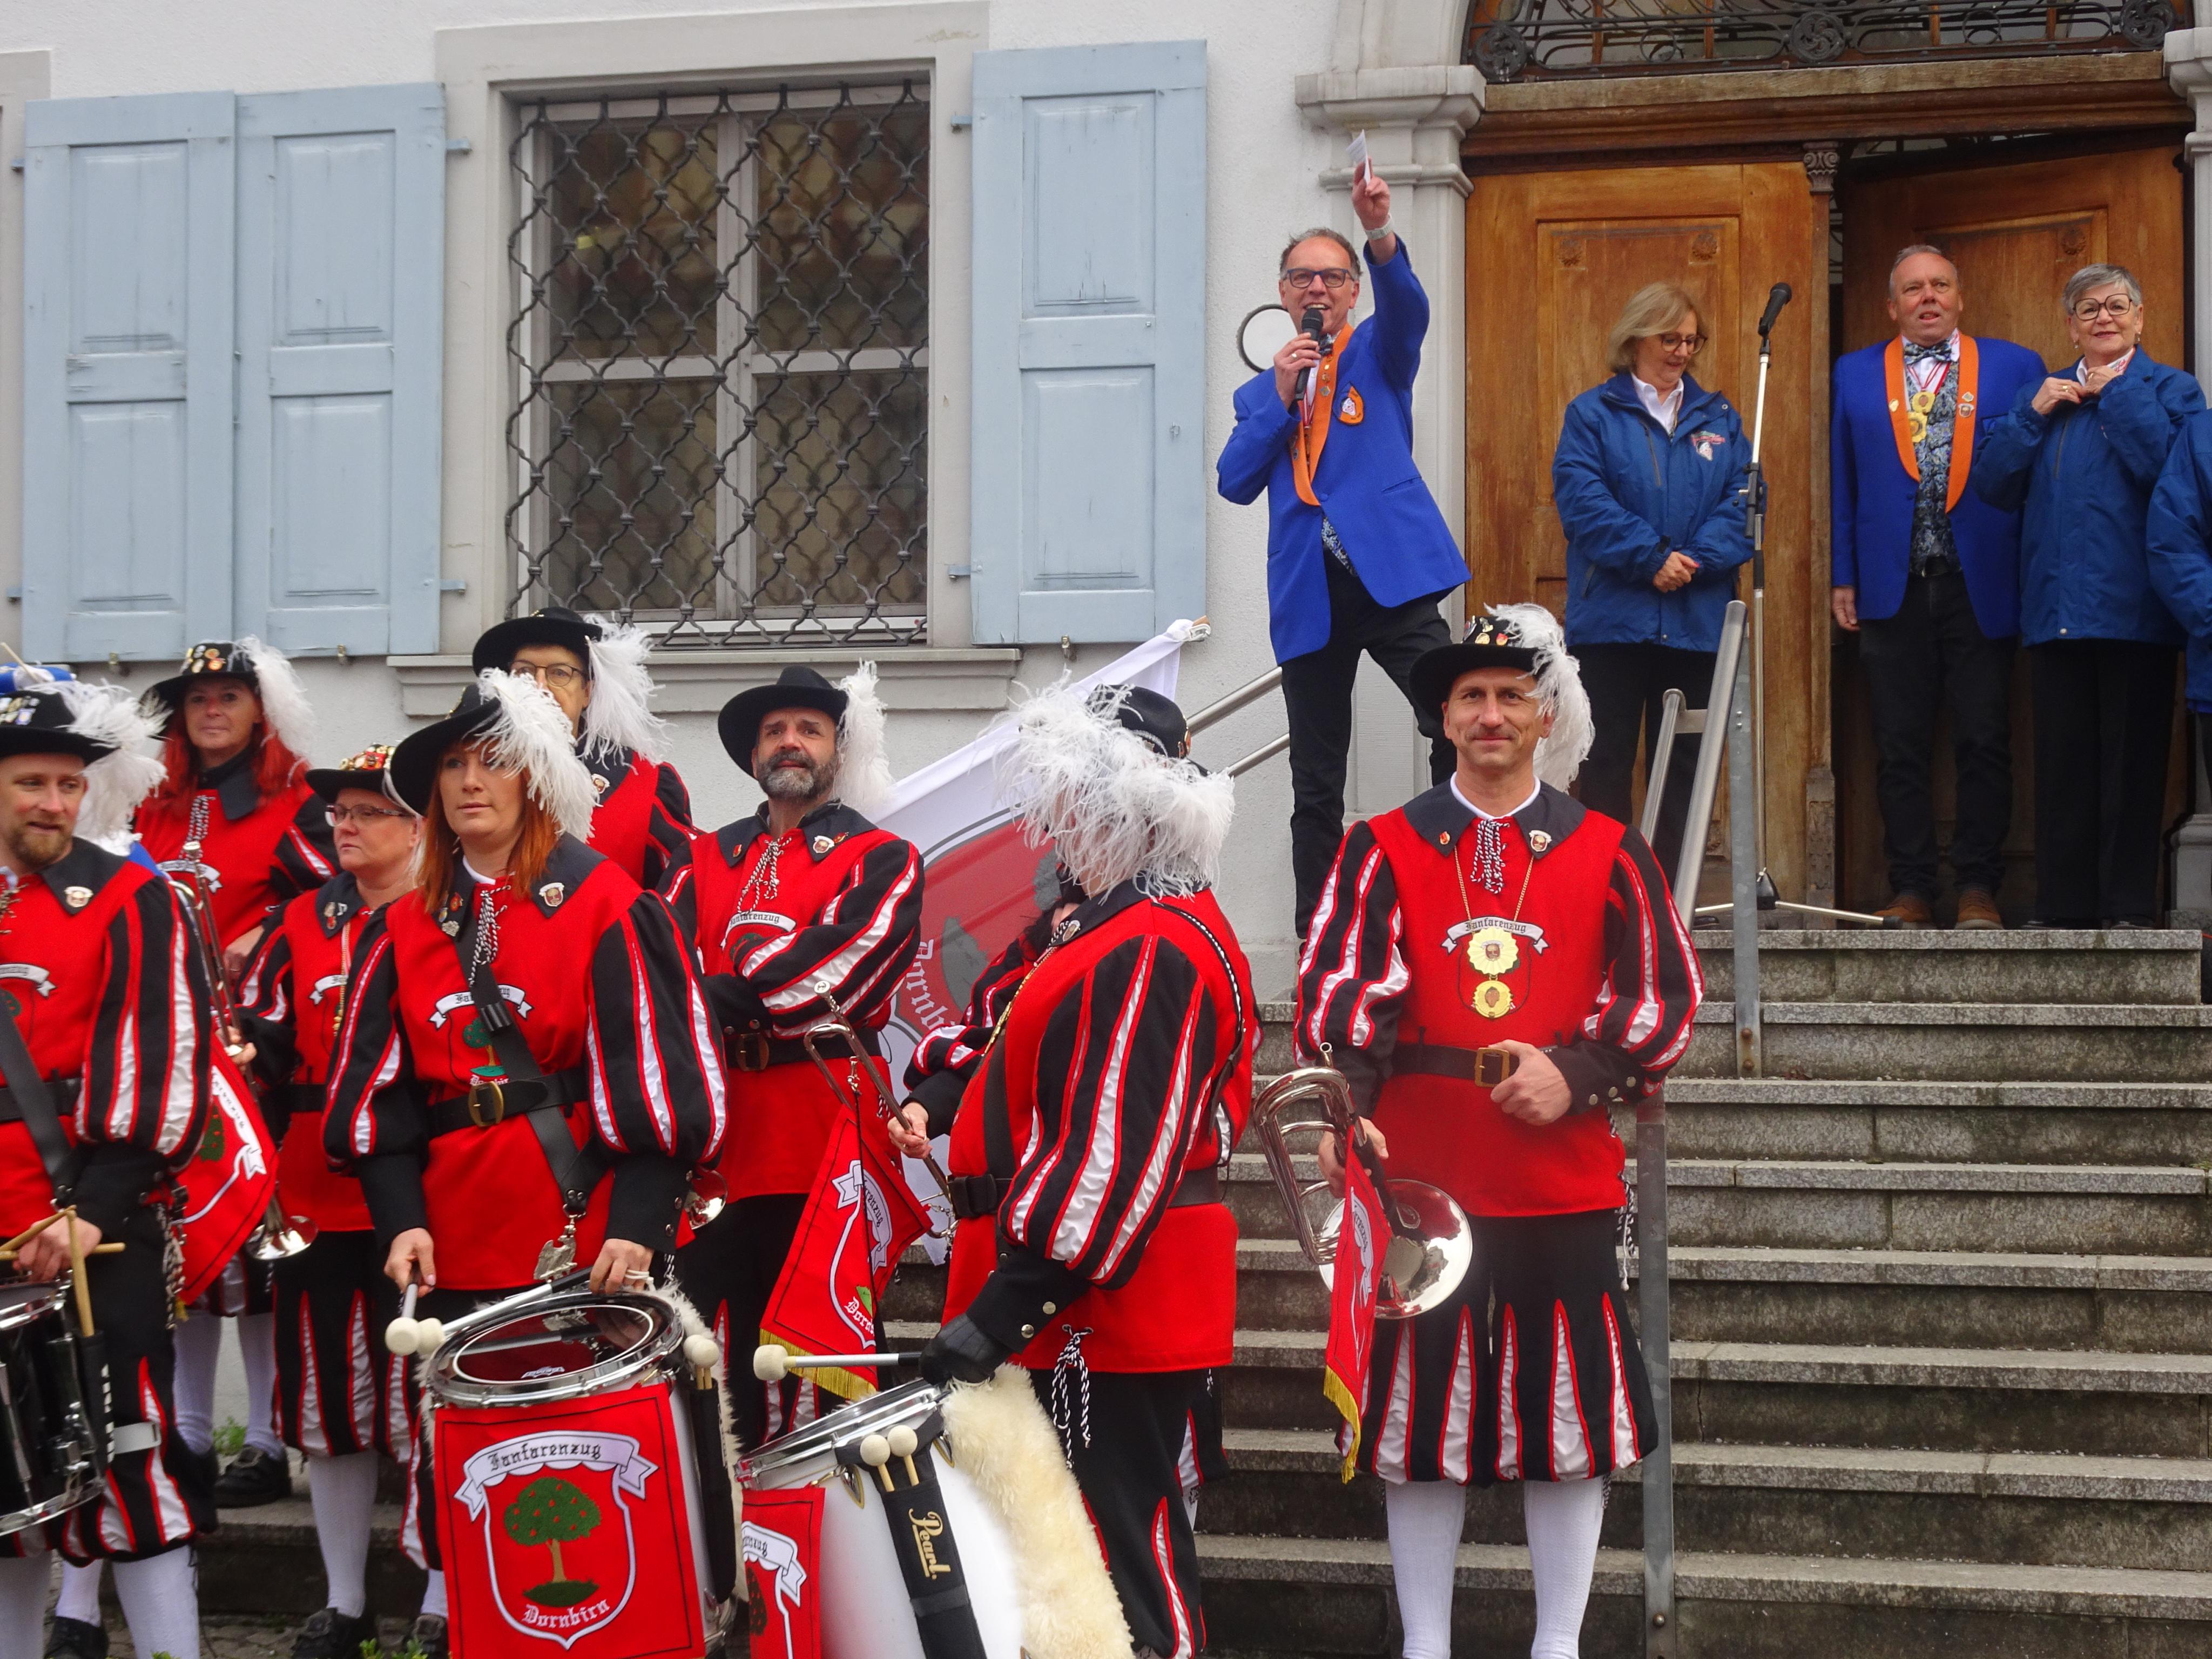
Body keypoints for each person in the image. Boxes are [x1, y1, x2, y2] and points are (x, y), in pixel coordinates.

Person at [1294, 606, 1701, 1659]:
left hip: (1558, 1171)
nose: (1490, 713)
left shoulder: (1610, 849)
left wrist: (1579, 1073)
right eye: (1469, 697)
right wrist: (1347, 1106)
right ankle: (1425, 1645)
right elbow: (1343, 992)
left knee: (1566, 1412)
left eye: (1510, 695)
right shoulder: (1380, 847)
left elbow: (1661, 996)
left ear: (1543, 714)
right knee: (1418, 1412)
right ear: (1443, 718)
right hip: (1420, 1174)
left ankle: (1555, 1644)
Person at [323, 672, 726, 1659]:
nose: (470, 781)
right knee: (479, 1465)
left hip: (584, 1236)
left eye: (493, 761)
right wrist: (399, 1217)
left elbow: (660, 1079)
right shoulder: (399, 927)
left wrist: (638, 1223)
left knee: (602, 1461)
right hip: (453, 1237)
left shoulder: (610, 904)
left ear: (536, 777)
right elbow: (376, 1098)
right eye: (454, 765)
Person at [915, 684, 1257, 1659]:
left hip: (1094, 1305)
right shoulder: (1109, 927)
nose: (1054, 817)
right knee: (1064, 1571)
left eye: (1071, 794)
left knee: (1117, 1565)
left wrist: (1004, 1312)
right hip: (1070, 1296)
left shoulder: (1152, 940)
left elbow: (1111, 1156)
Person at [0, 678, 214, 1659]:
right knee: (6, 1494)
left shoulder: (133, 896)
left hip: (92, 1231)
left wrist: (91, 1208)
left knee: (130, 1469)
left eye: (68, 785)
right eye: (31, 784)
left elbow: (165, 1067)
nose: (55, 803)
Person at [659, 664, 921, 1448]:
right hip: (716, 1134)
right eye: (774, 731)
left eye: (810, 729)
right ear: (753, 755)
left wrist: (716, 991)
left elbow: (837, 973)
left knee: (823, 1345)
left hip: (823, 1128)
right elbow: (656, 974)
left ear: (838, 750)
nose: (790, 742)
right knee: (707, 1345)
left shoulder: (883, 857)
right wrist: (712, 993)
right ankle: (726, 1511)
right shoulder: (701, 859)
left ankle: (829, 1518)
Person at [1216, 166, 1469, 939]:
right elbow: (1233, 481)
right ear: (1283, 293)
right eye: (1302, 277)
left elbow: (1411, 308)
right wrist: (1280, 398)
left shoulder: (1379, 353)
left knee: (1453, 722)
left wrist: (1379, 230)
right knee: (1316, 779)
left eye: (1332, 276)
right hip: (1311, 594)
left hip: (1392, 581)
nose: (1317, 288)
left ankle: (1447, 887)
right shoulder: (1262, 390)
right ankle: (1319, 935)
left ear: (1353, 291)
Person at [130, 638, 337, 1521]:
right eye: (197, 698)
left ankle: (261, 1437)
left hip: (253, 1049)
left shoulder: (300, 802)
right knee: (180, 1242)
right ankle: (184, 1434)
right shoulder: (149, 802)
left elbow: (337, 899)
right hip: (160, 1049)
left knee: (254, 1248)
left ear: (262, 711)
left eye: (229, 696)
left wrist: (270, 931)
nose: (211, 710)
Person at [235, 744, 428, 1659]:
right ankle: (344, 1604)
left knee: (429, 1397)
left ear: (417, 828)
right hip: (314, 1195)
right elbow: (264, 1039)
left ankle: (441, 1601)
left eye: (366, 813)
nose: (343, 827)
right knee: (331, 1407)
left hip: (426, 1193)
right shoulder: (301, 920)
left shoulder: (453, 915)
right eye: (338, 813)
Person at [1974, 262, 2204, 927]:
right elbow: (1992, 486)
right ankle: (2062, 910)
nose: (2104, 317)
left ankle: (2128, 909)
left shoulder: (2173, 389)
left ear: (2139, 319)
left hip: (2139, 614)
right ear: (2070, 327)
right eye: (2088, 309)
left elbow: (2169, 471)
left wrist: (2119, 394)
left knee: (2133, 769)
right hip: (2055, 613)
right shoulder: (2042, 395)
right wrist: (2031, 415)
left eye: (2117, 306)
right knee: (2062, 769)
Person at [1832, 246, 2046, 930]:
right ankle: (1912, 889)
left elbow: (2036, 482)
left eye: (1940, 285)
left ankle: (1978, 887)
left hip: (1981, 581)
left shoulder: (2015, 366)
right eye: (1913, 289)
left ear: (1959, 297)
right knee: (1898, 745)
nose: (1928, 297)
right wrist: (1844, 574)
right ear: (1891, 306)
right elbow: (1843, 479)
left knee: (1984, 738)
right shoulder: (1854, 372)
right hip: (1890, 584)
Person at [1552, 281, 1752, 876]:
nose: (1682, 351)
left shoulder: (1720, 418)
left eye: (1692, 340)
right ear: (1635, 338)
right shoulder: (1591, 414)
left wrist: (1692, 560)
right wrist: (1650, 558)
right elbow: (1583, 503)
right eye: (1670, 338)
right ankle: (1609, 890)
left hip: (1696, 620)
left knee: (1687, 767)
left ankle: (1668, 895)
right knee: (1605, 761)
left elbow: (1745, 504)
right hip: (1612, 623)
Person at [470, 606, 693, 887]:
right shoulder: (469, 778)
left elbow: (680, 894)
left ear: (587, 692)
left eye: (559, 673)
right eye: (524, 672)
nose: (540, 687)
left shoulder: (645, 782)